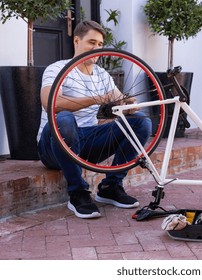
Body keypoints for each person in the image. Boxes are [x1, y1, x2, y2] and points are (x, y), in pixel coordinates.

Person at [37, 20, 152, 219]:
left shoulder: (102, 75)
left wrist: (130, 105)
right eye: (91, 42)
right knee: (63, 118)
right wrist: (95, 99)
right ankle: (78, 193)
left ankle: (110, 186)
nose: (97, 48)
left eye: (100, 44)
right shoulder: (57, 69)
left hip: (87, 144)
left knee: (141, 122)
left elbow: (120, 99)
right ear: (76, 40)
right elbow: (50, 103)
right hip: (53, 145)